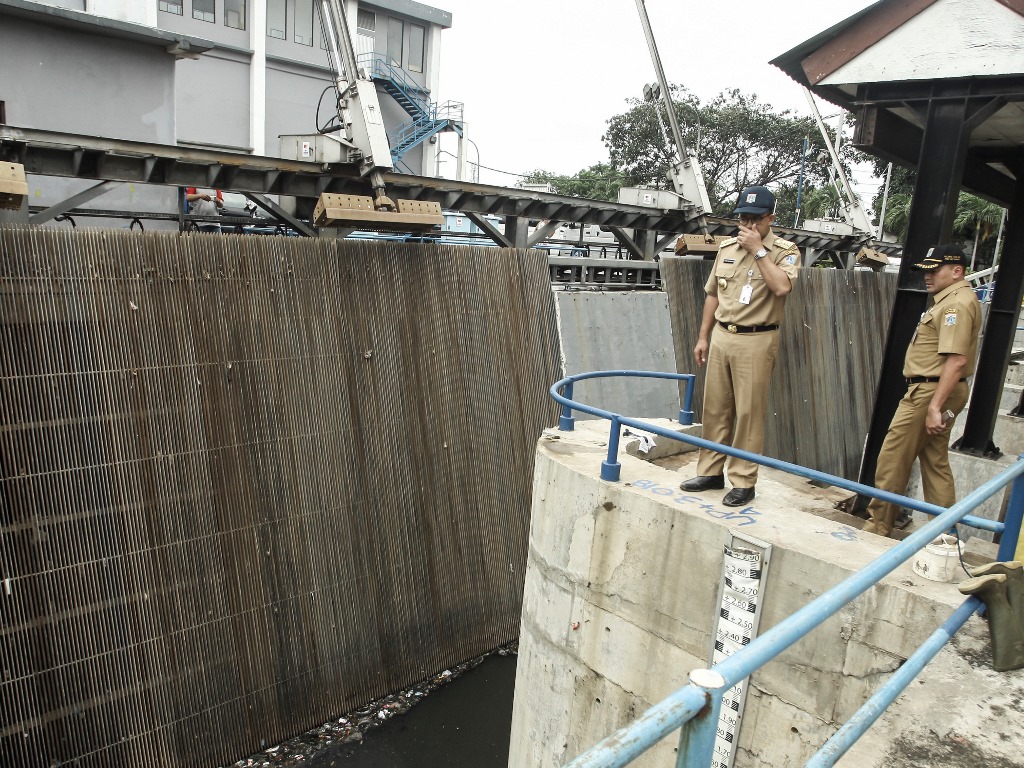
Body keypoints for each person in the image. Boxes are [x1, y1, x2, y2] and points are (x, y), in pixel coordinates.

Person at [679, 186, 800, 506]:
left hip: (757, 338)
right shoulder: (727, 248)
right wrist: (703, 336)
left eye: (754, 220)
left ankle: (744, 481)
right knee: (715, 407)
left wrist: (760, 250)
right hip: (722, 334)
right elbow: (713, 294)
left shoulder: (785, 251)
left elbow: (781, 287)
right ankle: (710, 471)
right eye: (742, 219)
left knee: (748, 413)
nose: (747, 226)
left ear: (770, 219)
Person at [862, 244, 982, 537]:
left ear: (957, 271)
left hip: (930, 391)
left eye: (934, 270)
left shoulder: (955, 304)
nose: (927, 276)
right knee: (934, 461)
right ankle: (945, 535)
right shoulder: (952, 299)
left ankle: (877, 526)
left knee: (893, 457)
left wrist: (933, 407)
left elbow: (956, 360)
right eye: (925, 270)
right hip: (937, 390)